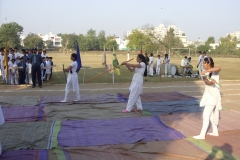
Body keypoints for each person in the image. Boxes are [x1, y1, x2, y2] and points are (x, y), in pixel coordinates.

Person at [193, 57, 221, 139]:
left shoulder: (214, 71)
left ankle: (202, 135)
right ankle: (215, 132)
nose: (203, 64)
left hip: (213, 96)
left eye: (204, 63)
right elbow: (207, 82)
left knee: (206, 114)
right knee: (210, 115)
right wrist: (210, 82)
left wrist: (207, 71)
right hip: (208, 95)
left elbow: (218, 68)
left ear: (209, 63)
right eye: (203, 63)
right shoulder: (203, 73)